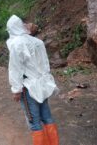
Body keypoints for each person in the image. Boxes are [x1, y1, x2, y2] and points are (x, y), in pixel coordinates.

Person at [6, 15, 59, 145]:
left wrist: (16, 89)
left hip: (28, 87)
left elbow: (15, 68)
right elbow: (45, 64)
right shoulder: (37, 42)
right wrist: (45, 80)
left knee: (34, 123)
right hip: (42, 84)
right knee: (47, 117)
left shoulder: (16, 45)